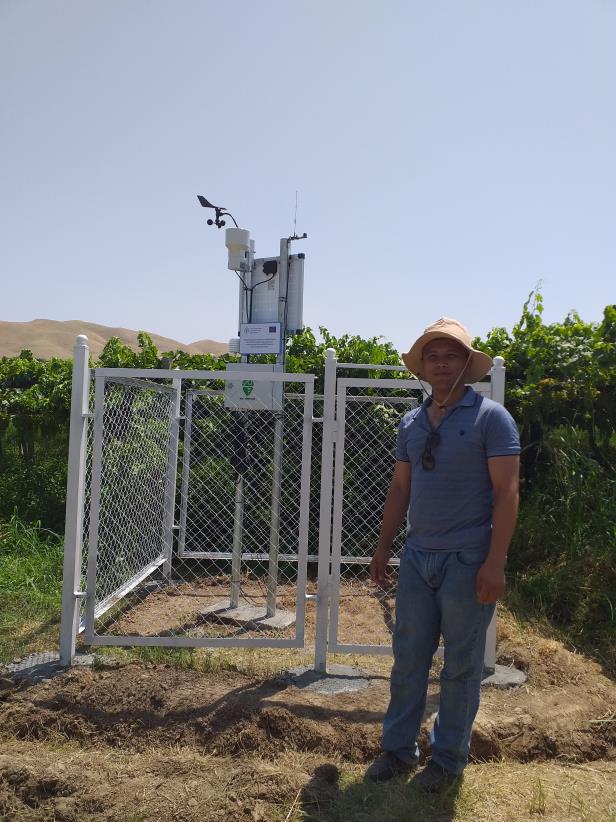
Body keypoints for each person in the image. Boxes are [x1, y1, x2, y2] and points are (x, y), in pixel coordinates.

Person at [365, 318, 520, 792]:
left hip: (468, 561)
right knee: (408, 660)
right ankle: (397, 751)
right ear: (423, 367)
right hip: (417, 559)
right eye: (432, 356)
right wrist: (383, 547)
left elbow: (507, 492)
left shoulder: (491, 418)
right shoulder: (411, 422)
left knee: (461, 667)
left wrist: (495, 562)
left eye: (451, 355)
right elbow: (400, 488)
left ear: (466, 364)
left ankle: (448, 761)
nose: (441, 363)